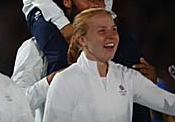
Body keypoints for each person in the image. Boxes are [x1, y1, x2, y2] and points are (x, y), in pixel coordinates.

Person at [13, 0, 156, 122]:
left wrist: (149, 86)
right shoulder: (35, 48)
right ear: (67, 2)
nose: (95, 5)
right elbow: (14, 107)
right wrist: (49, 82)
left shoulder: (114, 47)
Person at [43, 8, 175, 122]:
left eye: (114, 29)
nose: (111, 36)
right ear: (82, 40)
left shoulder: (127, 77)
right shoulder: (64, 81)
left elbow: (170, 104)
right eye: (102, 31)